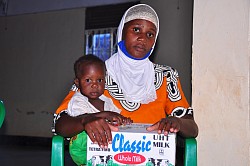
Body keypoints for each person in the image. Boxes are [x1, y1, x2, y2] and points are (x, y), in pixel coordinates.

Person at [53, 2, 198, 161]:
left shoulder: (166, 76)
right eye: (136, 29)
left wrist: (177, 122)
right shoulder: (95, 75)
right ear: (121, 31)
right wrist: (85, 119)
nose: (142, 38)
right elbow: (61, 124)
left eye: (150, 34)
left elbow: (192, 128)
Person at [66, 54, 132, 165]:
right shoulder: (77, 101)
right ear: (77, 82)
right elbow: (84, 119)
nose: (95, 85)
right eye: (88, 80)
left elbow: (115, 117)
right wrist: (106, 114)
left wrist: (122, 120)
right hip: (83, 150)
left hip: (103, 148)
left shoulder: (107, 101)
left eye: (100, 80)